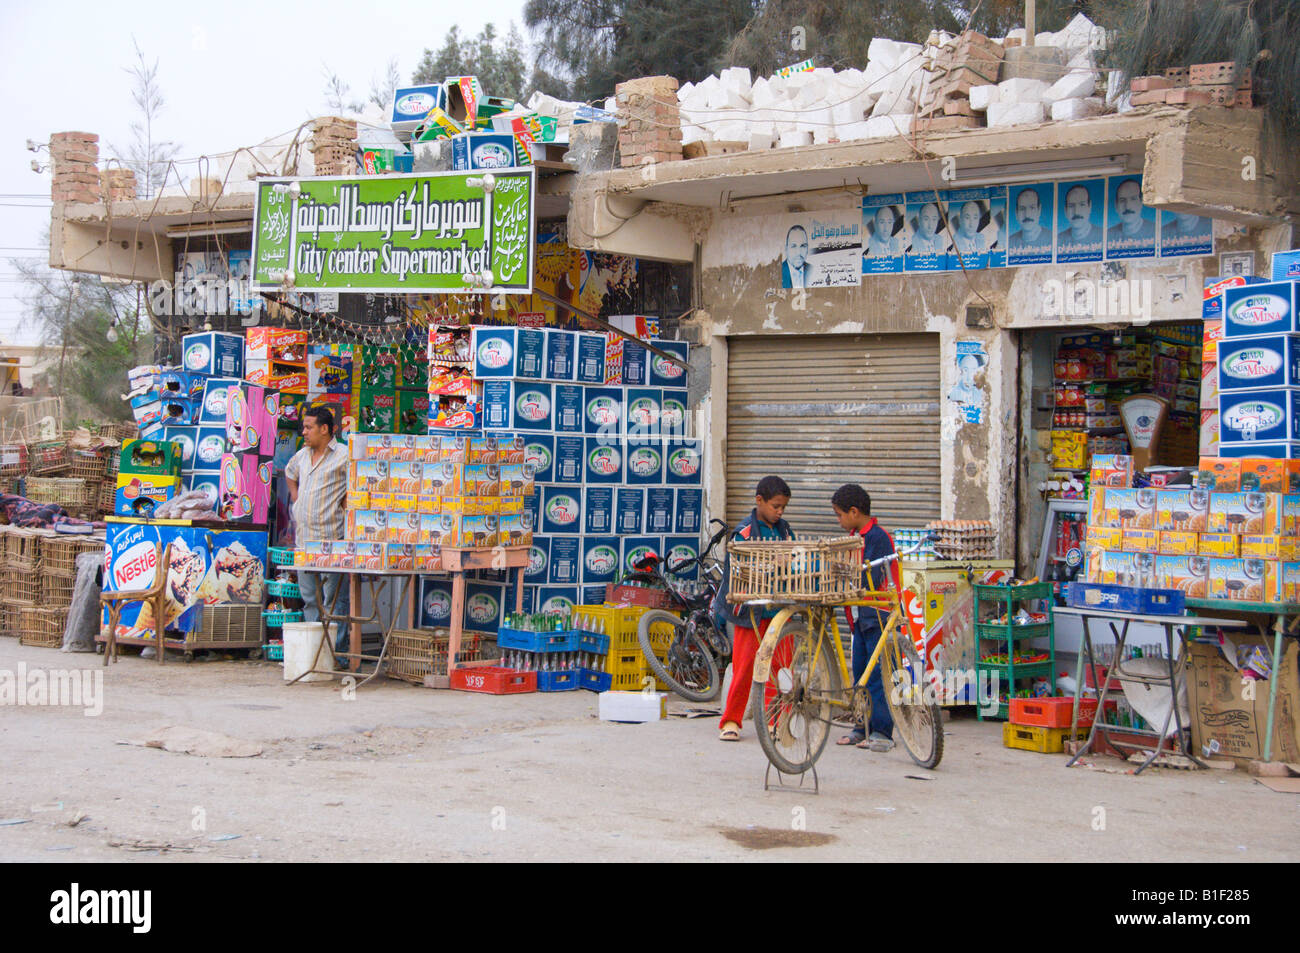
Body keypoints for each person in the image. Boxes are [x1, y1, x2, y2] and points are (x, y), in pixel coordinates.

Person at [711, 475, 795, 742]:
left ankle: (775, 721)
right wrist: (772, 563)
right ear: (759, 501)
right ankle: (732, 721)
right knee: (745, 666)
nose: (779, 512)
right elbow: (737, 573)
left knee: (780, 668)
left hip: (780, 611)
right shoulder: (743, 532)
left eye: (783, 508)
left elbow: (795, 559)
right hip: (751, 612)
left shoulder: (785, 530)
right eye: (775, 506)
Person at [830, 484, 898, 752]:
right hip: (859, 619)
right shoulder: (854, 535)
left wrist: (844, 575)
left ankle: (882, 731)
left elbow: (874, 576)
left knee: (878, 677)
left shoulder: (878, 538)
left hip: (877, 616)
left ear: (854, 512)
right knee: (859, 673)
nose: (838, 520)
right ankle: (861, 727)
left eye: (839, 515)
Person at [284, 406, 352, 663]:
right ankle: (315, 653)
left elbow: (357, 483)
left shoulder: (344, 456)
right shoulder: (301, 456)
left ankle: (338, 655)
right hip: (305, 540)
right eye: (304, 427)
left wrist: (346, 503)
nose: (304, 432)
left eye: (309, 427)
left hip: (332, 539)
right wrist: (295, 496)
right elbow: (290, 474)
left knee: (335, 601)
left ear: (325, 429)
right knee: (310, 599)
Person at [1106, 178, 1155, 242]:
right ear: (1116, 206)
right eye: (1122, 200)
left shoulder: (1155, 230)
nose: (1128, 207)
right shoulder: (1108, 236)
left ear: (1141, 202)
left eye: (1133, 199)